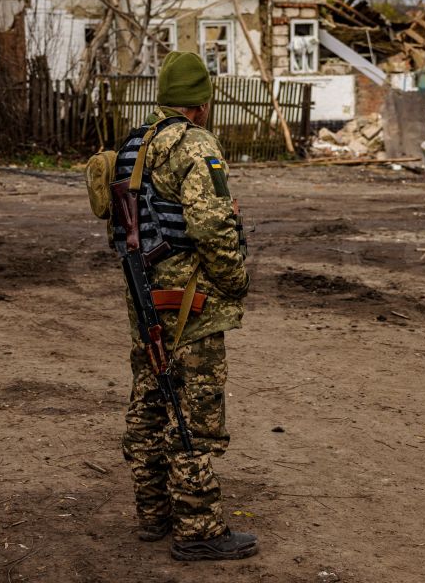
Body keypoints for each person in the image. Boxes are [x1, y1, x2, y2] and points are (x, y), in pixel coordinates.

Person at [111, 51, 257, 561]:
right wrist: (236, 281)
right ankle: (198, 529)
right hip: (189, 302)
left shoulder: (134, 143)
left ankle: (153, 513)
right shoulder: (195, 144)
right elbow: (212, 226)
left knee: (150, 401)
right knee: (191, 412)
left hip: (144, 296)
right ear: (201, 101)